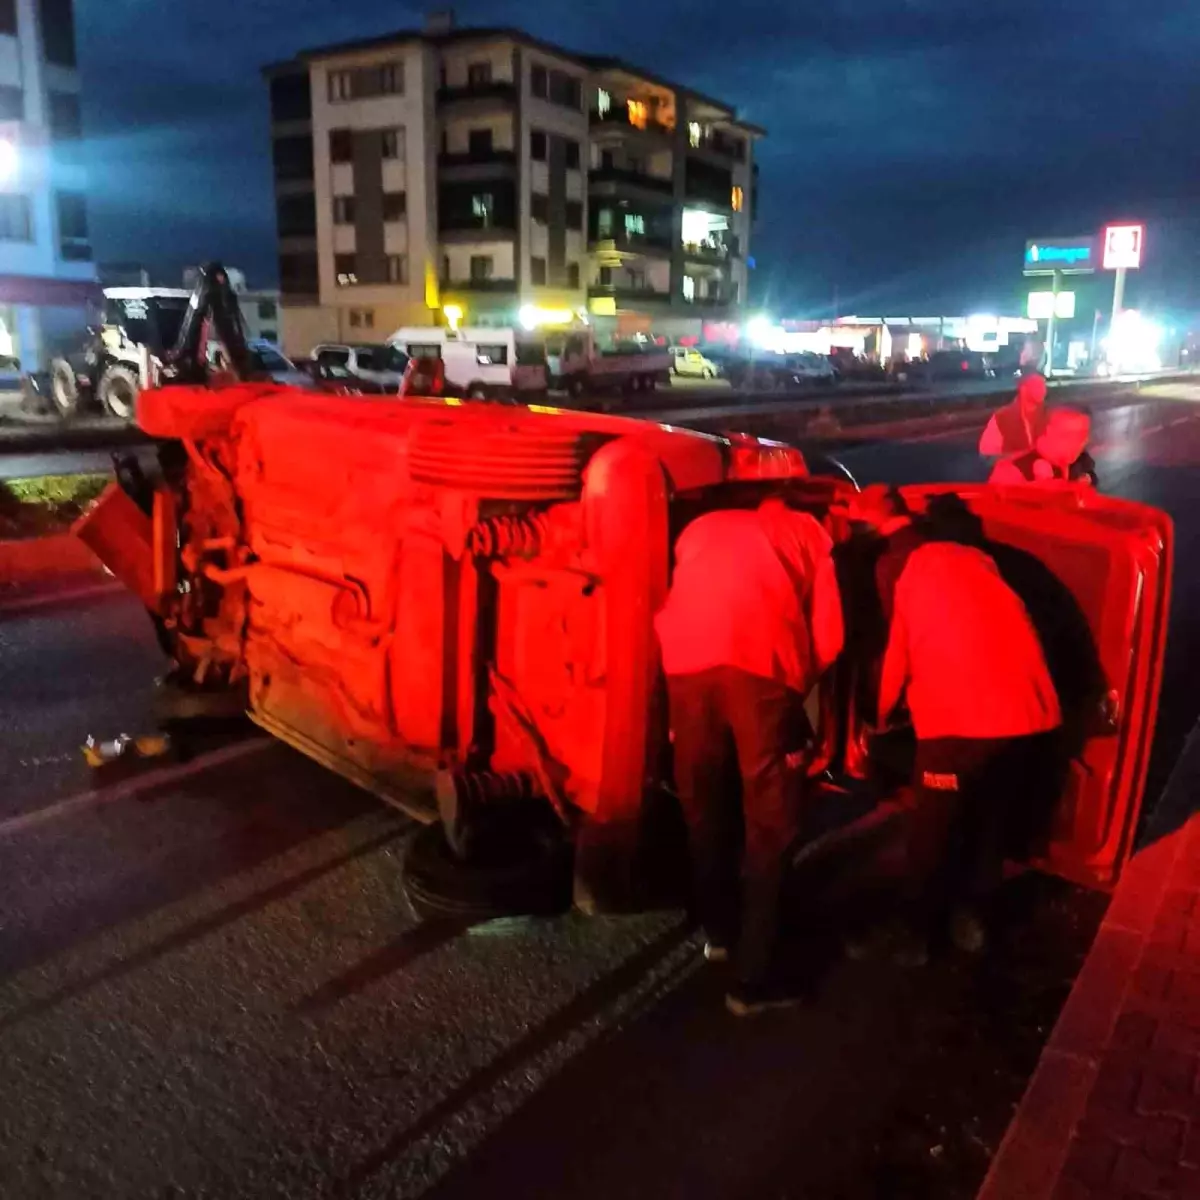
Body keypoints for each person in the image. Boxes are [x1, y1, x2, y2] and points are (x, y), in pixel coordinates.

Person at [655, 496, 844, 1015]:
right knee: (771, 822)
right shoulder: (809, 531)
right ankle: (754, 979)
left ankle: (718, 933)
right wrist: (797, 691)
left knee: (703, 802)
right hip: (759, 667)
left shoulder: (701, 527)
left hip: (684, 668)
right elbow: (831, 634)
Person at [873, 537, 1063, 962]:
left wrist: (879, 716)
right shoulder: (989, 579)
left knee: (931, 830)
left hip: (957, 725)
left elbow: (896, 662)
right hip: (1025, 719)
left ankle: (917, 934)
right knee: (988, 821)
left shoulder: (913, 580)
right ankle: (974, 919)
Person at [989, 407, 1097, 486]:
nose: (1082, 442)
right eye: (1069, 435)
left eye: (1083, 435)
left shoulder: (1079, 463)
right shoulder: (1012, 471)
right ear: (1046, 431)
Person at [979, 372, 1049, 457]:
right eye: (1037, 386)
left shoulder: (1050, 415)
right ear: (1023, 389)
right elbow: (987, 455)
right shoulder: (1001, 418)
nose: (1043, 390)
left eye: (1044, 386)